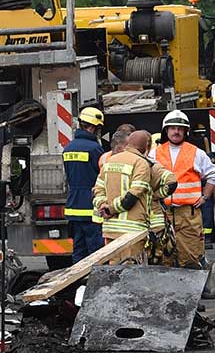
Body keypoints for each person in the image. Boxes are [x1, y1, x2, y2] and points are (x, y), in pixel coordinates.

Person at [152, 110, 215, 268]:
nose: (176, 131)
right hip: (162, 213)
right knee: (163, 258)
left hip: (188, 214)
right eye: (173, 128)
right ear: (166, 130)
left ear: (185, 131)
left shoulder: (196, 153)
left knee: (190, 257)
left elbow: (214, 174)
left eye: (180, 128)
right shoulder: (155, 153)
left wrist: (205, 197)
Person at [92, 130, 177, 259]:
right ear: (146, 147)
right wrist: (156, 195)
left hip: (110, 229)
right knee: (132, 267)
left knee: (113, 267)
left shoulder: (110, 161)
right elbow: (133, 195)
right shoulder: (142, 163)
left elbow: (98, 189)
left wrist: (102, 205)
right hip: (133, 231)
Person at [62, 107, 106, 261]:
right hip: (91, 206)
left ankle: (77, 276)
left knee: (79, 251)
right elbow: (102, 176)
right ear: (93, 127)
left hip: (73, 207)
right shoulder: (95, 149)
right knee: (96, 252)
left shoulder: (68, 148)